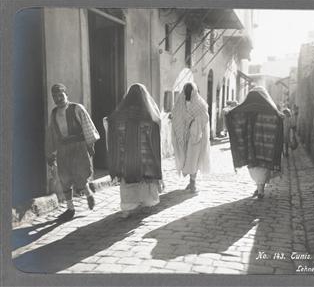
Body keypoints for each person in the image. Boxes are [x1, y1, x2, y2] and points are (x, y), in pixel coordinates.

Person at [104, 83, 162, 218]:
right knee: (145, 179)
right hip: (144, 155)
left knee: (127, 181)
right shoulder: (148, 113)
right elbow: (156, 128)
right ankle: (146, 204)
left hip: (126, 156)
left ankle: (127, 208)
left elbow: (110, 124)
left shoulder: (120, 113)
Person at [46, 83, 99, 221]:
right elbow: (52, 133)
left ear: (66, 95)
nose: (58, 98)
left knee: (80, 175)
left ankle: (89, 195)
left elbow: (88, 127)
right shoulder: (54, 113)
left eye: (60, 95)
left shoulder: (77, 108)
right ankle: (70, 209)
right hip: (63, 149)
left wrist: (90, 144)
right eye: (55, 96)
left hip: (79, 147)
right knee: (64, 177)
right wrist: (51, 152)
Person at [226, 86, 284, 199]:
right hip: (266, 147)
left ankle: (260, 189)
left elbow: (238, 116)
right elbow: (277, 120)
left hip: (251, 145)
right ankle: (260, 188)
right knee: (262, 167)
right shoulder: (270, 110)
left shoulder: (248, 108)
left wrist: (230, 114)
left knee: (255, 167)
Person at [171, 82, 211, 192]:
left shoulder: (200, 103)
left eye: (189, 89)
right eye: (186, 89)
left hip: (196, 136)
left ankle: (193, 183)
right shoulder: (180, 102)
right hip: (184, 135)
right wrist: (175, 118)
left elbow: (205, 118)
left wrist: (194, 122)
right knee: (187, 158)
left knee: (194, 159)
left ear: (194, 91)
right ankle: (191, 182)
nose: (188, 92)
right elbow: (175, 114)